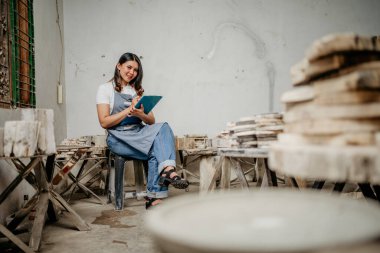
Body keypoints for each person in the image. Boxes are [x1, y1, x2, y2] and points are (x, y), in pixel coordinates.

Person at [96, 52, 188, 210]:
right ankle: (155, 195)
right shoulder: (105, 89)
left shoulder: (135, 91)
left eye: (136, 70)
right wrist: (128, 110)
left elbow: (151, 121)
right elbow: (104, 122)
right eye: (129, 67)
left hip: (138, 133)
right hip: (119, 137)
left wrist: (139, 113)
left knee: (163, 126)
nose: (132, 72)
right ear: (119, 66)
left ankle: (166, 172)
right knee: (155, 149)